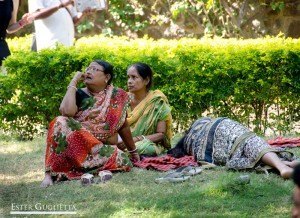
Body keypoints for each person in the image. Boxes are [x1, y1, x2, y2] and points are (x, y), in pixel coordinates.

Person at [41, 60, 140, 187]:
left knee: (122, 158)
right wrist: (73, 82)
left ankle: (85, 170)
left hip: (98, 150)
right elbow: (66, 112)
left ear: (107, 77)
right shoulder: (78, 93)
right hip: (76, 150)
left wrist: (133, 151)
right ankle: (50, 174)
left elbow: (123, 125)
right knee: (60, 121)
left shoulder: (117, 95)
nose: (88, 71)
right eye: (88, 69)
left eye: (94, 69)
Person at [168, 117, 298, 179]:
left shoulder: (188, 142)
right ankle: (283, 167)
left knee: (243, 153)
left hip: (218, 143)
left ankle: (284, 164)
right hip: (223, 128)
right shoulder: (197, 131)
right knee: (249, 141)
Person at [117, 63, 172, 156]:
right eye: (128, 77)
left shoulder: (157, 101)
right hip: (120, 142)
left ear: (146, 80)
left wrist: (134, 140)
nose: (129, 81)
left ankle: (121, 153)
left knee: (144, 148)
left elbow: (160, 134)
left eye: (134, 77)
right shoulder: (122, 99)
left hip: (144, 142)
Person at [27, 0, 94, 51]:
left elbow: (74, 20)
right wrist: (60, 6)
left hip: (68, 45)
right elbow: (35, 15)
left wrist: (83, 13)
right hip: (50, 44)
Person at [0, 0, 31, 66]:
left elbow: (9, 28)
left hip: (1, 46)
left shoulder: (14, 1)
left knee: (5, 73)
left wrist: (23, 22)